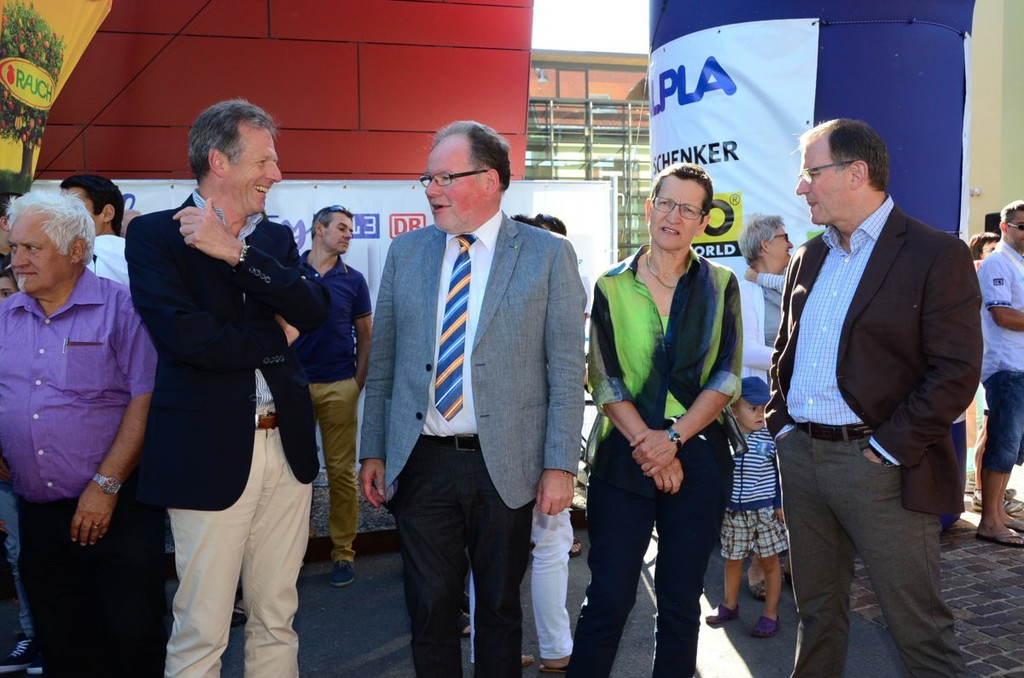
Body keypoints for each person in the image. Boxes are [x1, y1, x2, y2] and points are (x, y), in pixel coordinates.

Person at [358, 120, 586, 678]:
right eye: (428, 178)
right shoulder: (406, 252)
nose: (431, 189)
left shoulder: (547, 254)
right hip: (422, 462)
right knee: (429, 610)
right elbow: (383, 362)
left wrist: (560, 466)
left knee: (500, 611)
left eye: (444, 177)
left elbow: (566, 370)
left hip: (505, 464)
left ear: (489, 180)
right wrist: (374, 450)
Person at [768, 118, 980, 677]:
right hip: (801, 457)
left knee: (919, 629)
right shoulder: (807, 257)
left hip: (879, 468)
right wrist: (782, 425)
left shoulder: (935, 253)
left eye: (812, 173)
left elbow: (956, 372)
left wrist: (886, 450)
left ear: (856, 173)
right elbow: (785, 352)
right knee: (816, 612)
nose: (802, 187)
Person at [125, 99, 329, 678]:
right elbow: (188, 340)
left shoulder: (274, 240)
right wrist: (274, 337)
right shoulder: (155, 236)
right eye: (264, 161)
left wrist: (235, 253)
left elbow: (314, 309)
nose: (276, 174)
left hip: (286, 450)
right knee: (201, 628)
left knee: (277, 618)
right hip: (205, 454)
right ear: (219, 161)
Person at [568, 162, 742, 678]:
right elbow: (603, 378)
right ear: (648, 208)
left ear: (704, 222)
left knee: (682, 600)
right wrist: (652, 444)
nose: (674, 216)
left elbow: (726, 376)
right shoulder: (612, 284)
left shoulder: (721, 284)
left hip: (699, 454)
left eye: (688, 209)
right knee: (608, 597)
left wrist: (674, 438)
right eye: (666, 203)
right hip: (625, 455)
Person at [0, 191, 165, 677]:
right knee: (62, 647)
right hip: (37, 514)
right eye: (14, 248)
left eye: (32, 249)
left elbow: (146, 398)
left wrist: (106, 485)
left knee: (131, 640)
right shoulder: (7, 316)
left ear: (76, 250)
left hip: (119, 509)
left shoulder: (123, 309)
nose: (17, 261)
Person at [293, 204, 372, 587]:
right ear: (318, 229)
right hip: (292, 388)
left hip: (340, 386)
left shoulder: (354, 280)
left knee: (341, 474)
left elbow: (367, 335)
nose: (348, 235)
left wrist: (357, 382)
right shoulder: (289, 272)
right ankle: (291, 551)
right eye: (341, 228)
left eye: (351, 230)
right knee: (293, 475)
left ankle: (343, 552)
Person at [705, 377, 787, 639]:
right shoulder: (725, 436)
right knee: (733, 560)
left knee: (771, 563)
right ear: (733, 410)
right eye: (753, 408)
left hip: (765, 512)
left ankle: (771, 614)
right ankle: (729, 605)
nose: (760, 414)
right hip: (733, 513)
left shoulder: (771, 438)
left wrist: (779, 503)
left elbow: (780, 473)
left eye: (764, 408)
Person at [975, 200, 1024, 547]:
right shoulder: (997, 262)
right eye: (1023, 226)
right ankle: (989, 522)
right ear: (1005, 228)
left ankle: (998, 513)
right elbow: (1002, 315)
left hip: (1018, 366)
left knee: (1012, 444)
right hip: (1005, 366)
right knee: (1003, 443)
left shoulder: (1018, 262)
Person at [736, 214, 791, 381]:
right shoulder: (744, 292)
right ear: (765, 245)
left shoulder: (796, 284)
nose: (790, 244)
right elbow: (747, 351)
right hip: (767, 392)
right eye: (785, 238)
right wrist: (797, 360)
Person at [60, 174, 129, 285]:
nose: (62, 216)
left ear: (107, 214)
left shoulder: (89, 257)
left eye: (74, 208)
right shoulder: (138, 255)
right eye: (59, 209)